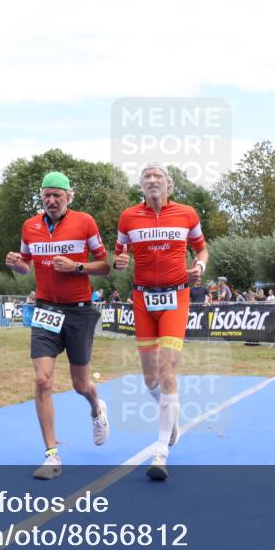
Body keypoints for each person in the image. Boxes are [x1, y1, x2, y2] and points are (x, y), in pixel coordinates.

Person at [4, 171, 111, 480]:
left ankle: (96, 407)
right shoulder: (30, 226)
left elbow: (104, 266)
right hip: (45, 311)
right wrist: (16, 265)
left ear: (69, 197)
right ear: (41, 196)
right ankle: (52, 455)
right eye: (47, 195)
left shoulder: (85, 222)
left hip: (78, 312)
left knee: (80, 384)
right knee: (42, 381)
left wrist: (78, 266)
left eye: (57, 195)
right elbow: (26, 268)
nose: (51, 200)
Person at [114, 163, 208, 481]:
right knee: (150, 379)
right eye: (147, 177)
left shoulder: (186, 214)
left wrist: (200, 267)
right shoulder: (128, 217)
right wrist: (120, 260)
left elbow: (202, 249)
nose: (152, 180)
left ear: (169, 184)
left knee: (168, 371)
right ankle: (172, 416)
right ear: (141, 185)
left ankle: (160, 451)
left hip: (176, 298)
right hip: (142, 300)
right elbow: (118, 254)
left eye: (158, 176)